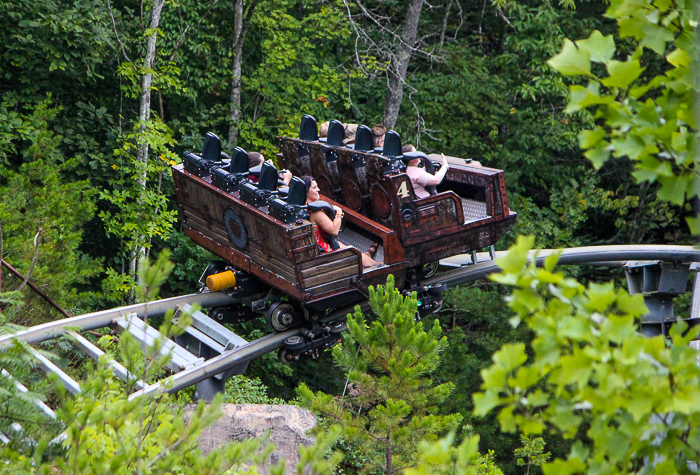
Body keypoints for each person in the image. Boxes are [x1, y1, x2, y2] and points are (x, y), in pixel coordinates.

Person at [301, 176, 381, 268]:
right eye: (314, 188)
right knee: (349, 249)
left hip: (317, 245)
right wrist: (338, 212)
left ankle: (366, 256)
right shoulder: (315, 212)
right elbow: (334, 230)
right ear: (306, 191)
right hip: (323, 251)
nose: (318, 190)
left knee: (343, 245)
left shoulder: (303, 205)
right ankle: (376, 265)